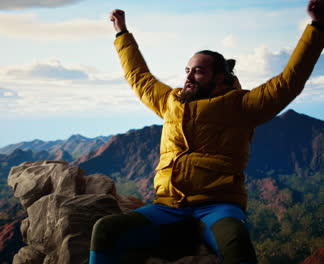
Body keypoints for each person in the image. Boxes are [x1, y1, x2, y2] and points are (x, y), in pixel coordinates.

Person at [89, 1, 324, 264]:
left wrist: (316, 27)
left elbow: (288, 82)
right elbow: (138, 76)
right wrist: (121, 33)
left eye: (198, 71)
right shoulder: (171, 101)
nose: (188, 77)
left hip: (217, 207)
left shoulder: (241, 106)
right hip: (167, 207)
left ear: (220, 79)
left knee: (236, 241)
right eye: (187, 70)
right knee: (105, 229)